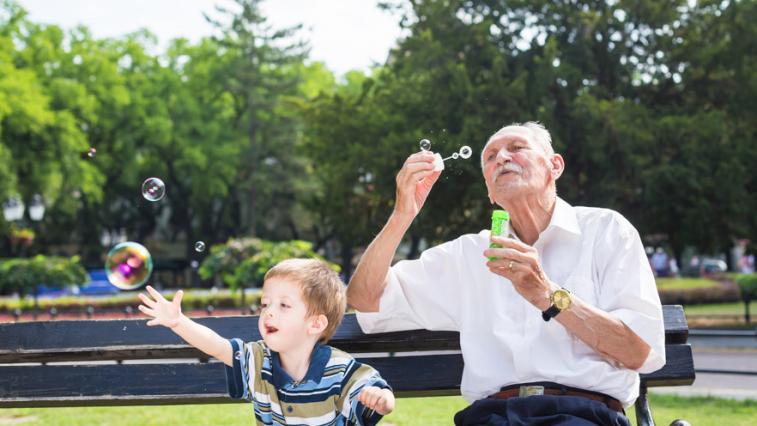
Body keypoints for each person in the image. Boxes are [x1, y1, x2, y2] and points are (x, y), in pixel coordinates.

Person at [347, 122, 666, 425]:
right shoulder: (467, 255)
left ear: (554, 166)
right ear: (489, 191)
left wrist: (548, 296)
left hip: (583, 414)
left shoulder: (607, 231)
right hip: (491, 416)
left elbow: (638, 352)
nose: (501, 157)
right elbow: (364, 298)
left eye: (516, 147)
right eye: (490, 156)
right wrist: (403, 213)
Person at [139, 258, 395, 425]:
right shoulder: (258, 360)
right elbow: (218, 346)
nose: (268, 312)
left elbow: (373, 391)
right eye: (265, 304)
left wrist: (381, 398)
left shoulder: (338, 369)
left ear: (315, 324)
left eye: (284, 305)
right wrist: (178, 322)